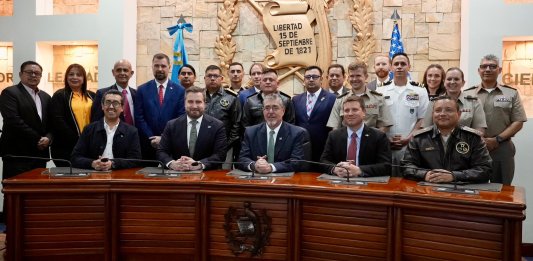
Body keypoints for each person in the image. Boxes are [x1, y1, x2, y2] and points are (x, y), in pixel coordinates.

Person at [463, 54, 527, 185]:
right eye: (484, 66)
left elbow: (518, 121)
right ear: (478, 70)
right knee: (471, 188)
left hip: (501, 147)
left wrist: (497, 140)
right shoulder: (467, 94)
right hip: (472, 148)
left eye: (492, 66)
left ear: (499, 70)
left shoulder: (511, 93)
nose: (487, 69)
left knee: (502, 190)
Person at [401, 96, 491, 183]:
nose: (442, 114)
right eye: (438, 110)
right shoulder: (419, 138)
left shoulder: (473, 138)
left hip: (462, 190)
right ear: (432, 114)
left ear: (458, 114)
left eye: (449, 110)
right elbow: (406, 166)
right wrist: (424, 174)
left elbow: (485, 169)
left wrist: (454, 176)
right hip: (428, 189)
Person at [376, 52, 429, 176]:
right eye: (396, 64)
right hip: (385, 145)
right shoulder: (380, 90)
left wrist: (409, 138)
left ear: (409, 67)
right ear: (391, 67)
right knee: (385, 179)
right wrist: (385, 138)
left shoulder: (419, 90)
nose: (399, 66)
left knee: (408, 179)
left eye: (403, 64)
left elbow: (422, 118)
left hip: (411, 145)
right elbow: (377, 118)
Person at [0, 61, 52, 179]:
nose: (33, 75)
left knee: (37, 193)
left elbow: (51, 123)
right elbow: (13, 121)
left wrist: (49, 138)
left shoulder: (46, 97)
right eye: (29, 72)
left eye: (37, 73)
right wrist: (38, 139)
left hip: (39, 155)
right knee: (15, 194)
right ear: (20, 74)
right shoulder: (10, 93)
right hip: (17, 155)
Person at [157, 86, 227, 170]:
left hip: (207, 176)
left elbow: (220, 154)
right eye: (190, 102)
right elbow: (161, 151)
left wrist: (199, 164)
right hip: (178, 175)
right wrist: (172, 164)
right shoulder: (172, 125)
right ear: (184, 103)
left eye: (198, 102)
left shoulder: (217, 126)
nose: (194, 106)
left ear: (205, 104)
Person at [321, 96, 391, 177]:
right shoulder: (334, 135)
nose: (350, 113)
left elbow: (386, 166)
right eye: (346, 110)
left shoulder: (378, 136)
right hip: (339, 182)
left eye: (355, 110)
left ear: (364, 112)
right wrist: (335, 169)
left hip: (368, 184)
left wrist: (359, 170)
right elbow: (323, 161)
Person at [71, 90, 141, 170]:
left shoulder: (131, 131)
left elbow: (136, 159)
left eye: (115, 103)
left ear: (122, 108)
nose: (111, 106)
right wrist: (92, 163)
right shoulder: (89, 129)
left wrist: (113, 163)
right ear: (102, 106)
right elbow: (75, 158)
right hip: (93, 176)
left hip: (120, 176)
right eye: (107, 102)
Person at [134, 53, 186, 161]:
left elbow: (180, 117)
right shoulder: (142, 90)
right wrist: (152, 138)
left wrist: (163, 138)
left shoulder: (180, 91)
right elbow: (139, 118)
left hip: (171, 145)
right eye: (156, 66)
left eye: (163, 66)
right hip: (148, 145)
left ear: (169, 67)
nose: (160, 69)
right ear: (152, 67)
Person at [238, 94, 308, 173]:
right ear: (263, 111)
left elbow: (296, 162)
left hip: (284, 180)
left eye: (275, 108)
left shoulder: (296, 133)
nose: (270, 112)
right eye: (267, 108)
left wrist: (271, 167)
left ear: (283, 111)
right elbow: (242, 158)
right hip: (257, 180)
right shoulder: (250, 132)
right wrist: (254, 165)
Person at [327, 62, 393, 132]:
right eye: (352, 76)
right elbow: (335, 127)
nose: (355, 79)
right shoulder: (340, 100)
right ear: (348, 78)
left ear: (366, 77)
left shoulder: (378, 99)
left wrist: (373, 140)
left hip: (371, 141)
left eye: (358, 76)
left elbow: (385, 125)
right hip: (347, 141)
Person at [51, 64, 96, 166]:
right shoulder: (60, 95)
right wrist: (78, 140)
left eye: (79, 75)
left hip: (89, 146)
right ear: (66, 77)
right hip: (65, 147)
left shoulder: (92, 96)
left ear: (84, 78)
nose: (75, 77)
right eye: (71, 74)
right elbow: (58, 121)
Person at [422, 67, 487, 134]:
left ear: (463, 83)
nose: (452, 82)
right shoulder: (434, 102)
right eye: (449, 79)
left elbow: (479, 129)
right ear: (444, 82)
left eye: (456, 79)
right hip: (437, 143)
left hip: (465, 143)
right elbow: (426, 129)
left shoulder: (474, 102)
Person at [292, 66, 336, 162]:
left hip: (323, 148)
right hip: (301, 148)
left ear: (321, 79)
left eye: (315, 77)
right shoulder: (296, 99)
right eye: (308, 77)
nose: (311, 79)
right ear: (304, 80)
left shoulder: (333, 98)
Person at [203, 65, 242, 167]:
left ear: (222, 78)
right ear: (204, 78)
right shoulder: (199, 96)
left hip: (225, 147)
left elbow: (236, 124)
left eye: (215, 76)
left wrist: (226, 144)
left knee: (222, 176)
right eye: (209, 76)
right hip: (201, 145)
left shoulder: (231, 97)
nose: (212, 78)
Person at [91, 59, 136, 124]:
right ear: (113, 72)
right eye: (118, 70)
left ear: (131, 73)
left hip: (135, 133)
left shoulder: (137, 94)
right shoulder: (102, 94)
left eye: (125, 70)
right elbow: (96, 121)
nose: (122, 73)